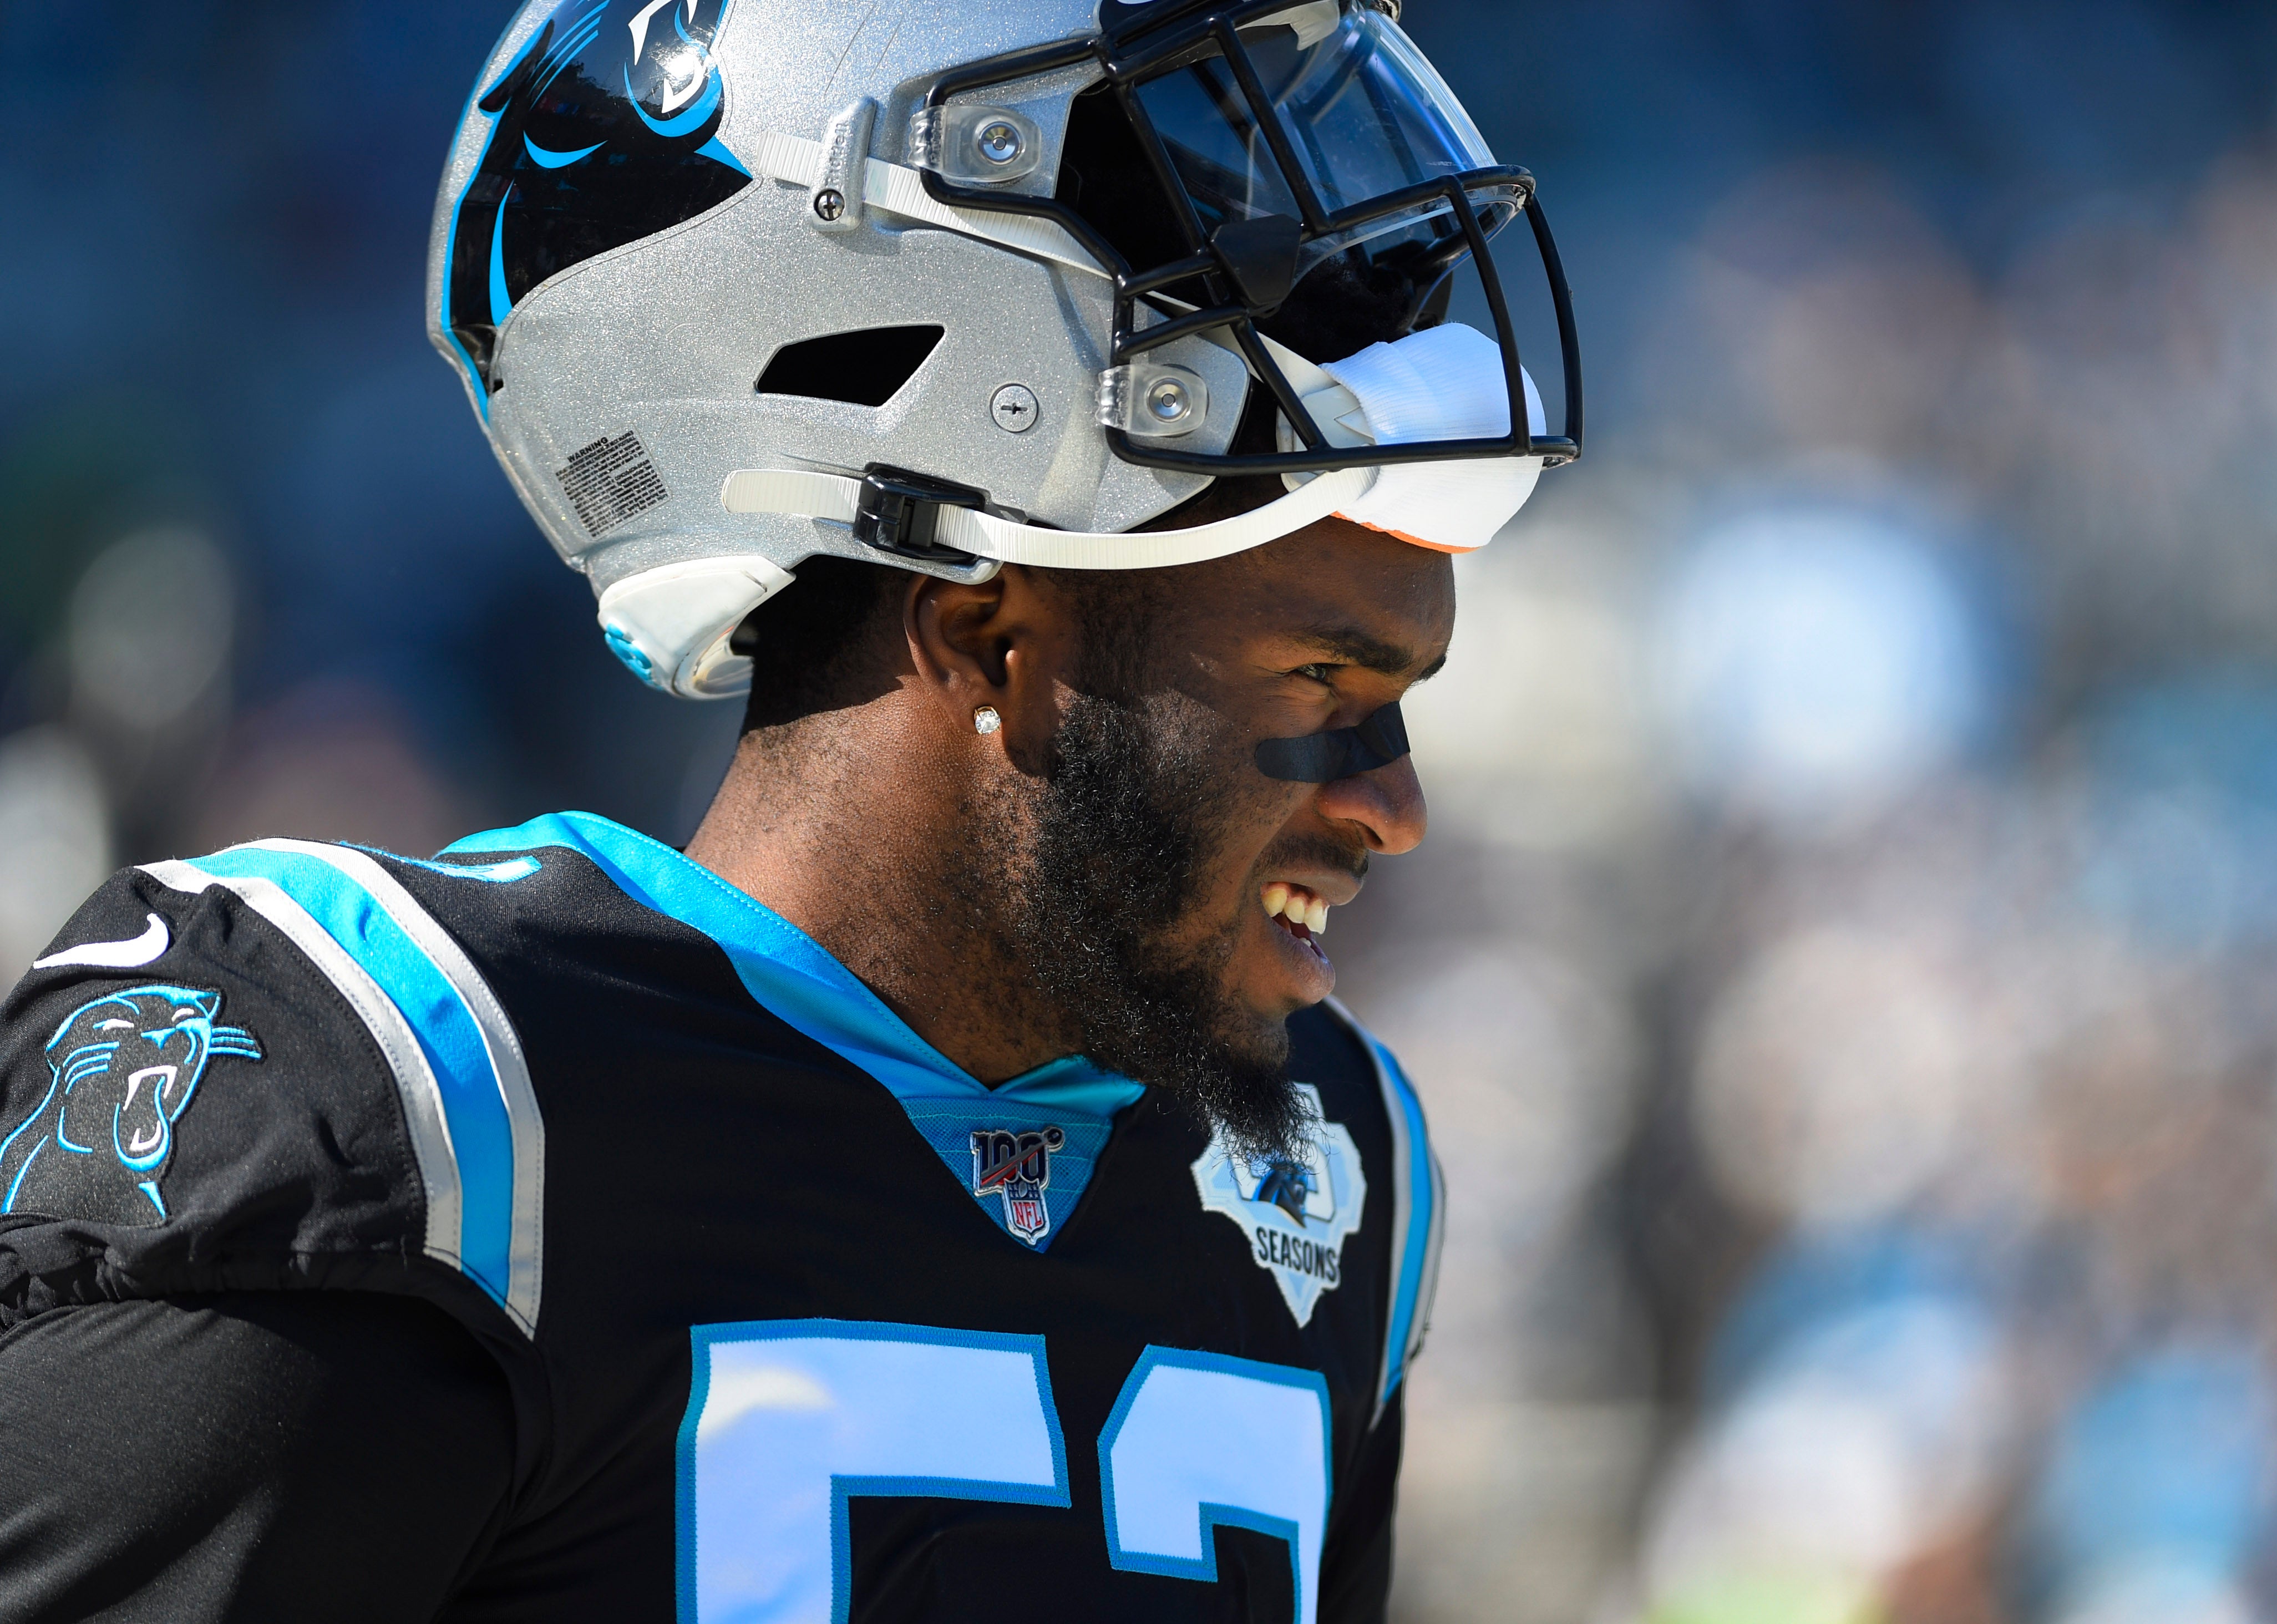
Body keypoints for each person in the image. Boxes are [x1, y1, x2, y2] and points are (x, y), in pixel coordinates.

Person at [0, 0, 1578, 1618]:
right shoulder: (421, 1103)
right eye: (1321, 686)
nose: (1394, 808)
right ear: (984, 632)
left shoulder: (1331, 1155)